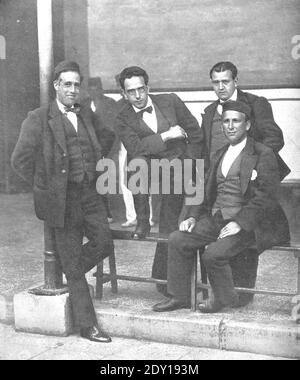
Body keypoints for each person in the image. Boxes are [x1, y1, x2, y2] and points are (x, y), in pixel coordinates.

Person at [11, 60, 115, 343]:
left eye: (76, 85)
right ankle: (88, 325)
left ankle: (68, 269)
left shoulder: (85, 115)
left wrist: (91, 165)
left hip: (89, 195)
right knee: (73, 263)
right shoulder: (39, 117)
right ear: (56, 85)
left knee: (104, 242)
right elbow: (19, 160)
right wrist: (45, 186)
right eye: (67, 84)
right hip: (62, 201)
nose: (72, 90)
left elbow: (106, 136)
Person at [152, 100, 290, 313]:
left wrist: (240, 223)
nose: (231, 126)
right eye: (226, 121)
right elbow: (207, 194)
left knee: (213, 255)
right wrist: (193, 218)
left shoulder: (263, 154)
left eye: (236, 121)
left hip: (248, 224)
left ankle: (223, 298)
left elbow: (266, 197)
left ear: (248, 125)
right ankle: (179, 296)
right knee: (177, 239)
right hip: (216, 218)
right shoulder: (219, 153)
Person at [202, 61, 291, 305]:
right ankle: (220, 293)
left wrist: (252, 165)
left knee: (245, 234)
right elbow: (206, 150)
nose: (220, 87)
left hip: (251, 187)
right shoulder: (210, 112)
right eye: (216, 82)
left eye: (225, 81)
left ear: (235, 82)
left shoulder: (256, 103)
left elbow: (274, 138)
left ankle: (238, 295)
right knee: (209, 233)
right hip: (220, 186)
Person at [114, 66, 204, 288]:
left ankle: (174, 284)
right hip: (151, 172)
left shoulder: (170, 101)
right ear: (124, 94)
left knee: (174, 225)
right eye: (131, 91)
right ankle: (142, 220)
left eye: (141, 89)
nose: (137, 95)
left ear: (148, 87)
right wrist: (167, 135)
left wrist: (190, 161)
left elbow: (195, 132)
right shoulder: (122, 117)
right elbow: (136, 148)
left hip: (180, 168)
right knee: (137, 164)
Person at [86, 76, 118, 223]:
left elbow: (111, 130)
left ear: (101, 89)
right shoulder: (81, 104)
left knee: (104, 182)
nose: (93, 92)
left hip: (106, 148)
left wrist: (105, 151)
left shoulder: (110, 103)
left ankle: (107, 213)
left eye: (96, 89)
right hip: (89, 150)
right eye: (90, 90)